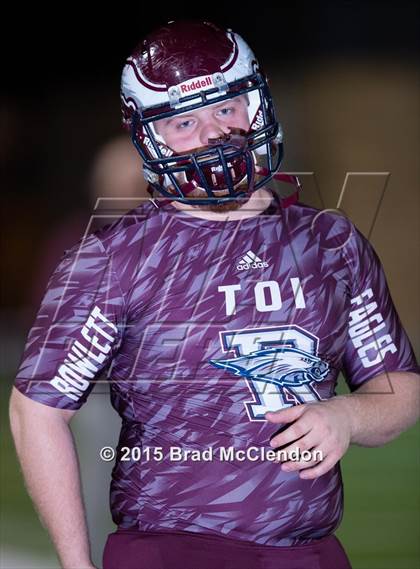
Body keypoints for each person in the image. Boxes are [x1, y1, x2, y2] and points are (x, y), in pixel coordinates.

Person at [9, 20, 419, 569]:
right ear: (150, 138)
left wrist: (347, 416)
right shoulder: (112, 259)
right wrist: (77, 565)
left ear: (258, 104)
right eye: (184, 121)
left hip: (311, 551)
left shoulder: (330, 241)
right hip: (171, 549)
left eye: (226, 108)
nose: (213, 134)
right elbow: (37, 409)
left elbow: (400, 389)